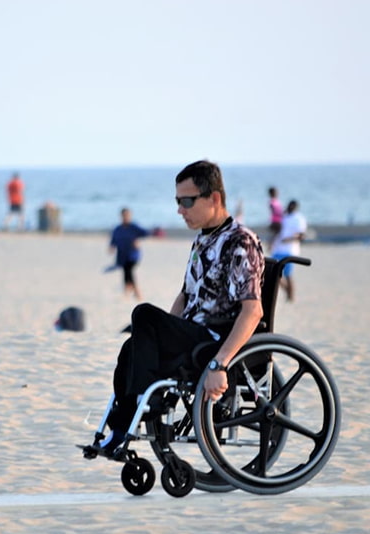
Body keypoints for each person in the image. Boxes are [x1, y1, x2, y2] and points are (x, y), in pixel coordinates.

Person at [86, 160, 265, 459]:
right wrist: (161, 332)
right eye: (178, 202)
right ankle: (119, 431)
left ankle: (149, 404)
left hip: (216, 339)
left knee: (142, 313)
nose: (180, 210)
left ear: (214, 199)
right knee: (132, 346)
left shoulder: (240, 241)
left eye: (186, 201)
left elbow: (253, 311)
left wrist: (219, 365)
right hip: (192, 332)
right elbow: (185, 296)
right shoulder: (203, 240)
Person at [108, 207, 150, 300]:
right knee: (125, 272)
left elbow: (146, 233)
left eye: (128, 215)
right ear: (121, 216)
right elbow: (113, 240)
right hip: (122, 255)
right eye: (124, 215)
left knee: (129, 271)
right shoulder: (118, 229)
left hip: (133, 255)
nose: (126, 217)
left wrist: (137, 240)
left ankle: (136, 291)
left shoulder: (134, 227)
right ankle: (128, 290)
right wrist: (111, 247)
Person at [272, 199, 307, 302]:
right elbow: (277, 230)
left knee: (288, 275)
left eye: (292, 206)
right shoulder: (284, 217)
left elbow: (302, 235)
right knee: (274, 273)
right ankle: (287, 290)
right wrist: (272, 242)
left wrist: (290, 239)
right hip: (278, 249)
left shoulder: (299, 219)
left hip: (290, 250)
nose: (290, 208)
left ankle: (290, 296)